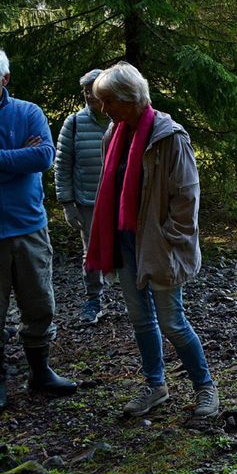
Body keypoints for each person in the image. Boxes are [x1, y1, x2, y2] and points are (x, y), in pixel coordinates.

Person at [86, 62, 219, 419]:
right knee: (140, 320)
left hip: (158, 245)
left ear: (129, 100)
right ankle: (155, 385)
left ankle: (205, 388)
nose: (103, 108)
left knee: (172, 321)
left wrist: (169, 238)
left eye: (108, 101)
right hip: (124, 241)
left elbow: (187, 196)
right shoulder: (112, 135)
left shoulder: (169, 136)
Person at [0, 48, 77, 411]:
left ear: (5, 79)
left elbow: (43, 157)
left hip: (30, 228)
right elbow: (28, 159)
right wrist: (18, 158)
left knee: (40, 304)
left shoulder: (28, 112)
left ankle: (40, 372)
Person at [54, 68, 108, 325]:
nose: (88, 95)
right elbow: (62, 165)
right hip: (87, 201)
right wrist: (67, 203)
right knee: (91, 253)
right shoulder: (73, 123)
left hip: (121, 201)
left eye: (93, 90)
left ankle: (136, 300)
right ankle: (93, 300)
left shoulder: (121, 120)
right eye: (85, 91)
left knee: (129, 249)